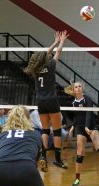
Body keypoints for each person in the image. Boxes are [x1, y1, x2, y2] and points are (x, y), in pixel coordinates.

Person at [0, 106, 50, 186]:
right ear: (28, 119)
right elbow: (35, 161)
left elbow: (0, 154)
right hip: (26, 170)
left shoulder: (3, 135)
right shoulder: (35, 134)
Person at [23, 30, 69, 171]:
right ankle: (57, 160)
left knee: (44, 130)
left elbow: (44, 55)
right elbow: (57, 53)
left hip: (40, 101)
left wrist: (55, 42)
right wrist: (61, 41)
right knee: (56, 131)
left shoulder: (35, 69)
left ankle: (42, 156)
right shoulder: (50, 66)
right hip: (52, 100)